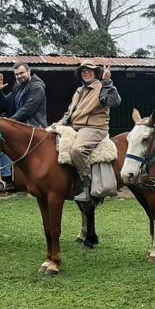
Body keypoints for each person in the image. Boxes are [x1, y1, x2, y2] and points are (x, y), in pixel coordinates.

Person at [54, 60, 121, 202]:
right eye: (83, 71)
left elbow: (114, 102)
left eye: (89, 70)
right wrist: (61, 122)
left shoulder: (101, 87)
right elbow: (70, 112)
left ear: (95, 73)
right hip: (76, 126)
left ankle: (86, 185)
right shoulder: (79, 91)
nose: (86, 73)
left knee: (77, 150)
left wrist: (108, 82)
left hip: (94, 127)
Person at [0, 63, 47, 192]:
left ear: (29, 71)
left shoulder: (37, 87)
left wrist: (9, 122)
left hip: (33, 127)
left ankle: (23, 181)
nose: (19, 76)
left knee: (4, 139)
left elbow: (27, 109)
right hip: (19, 126)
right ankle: (6, 179)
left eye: (22, 73)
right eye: (16, 74)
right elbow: (5, 104)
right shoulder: (18, 86)